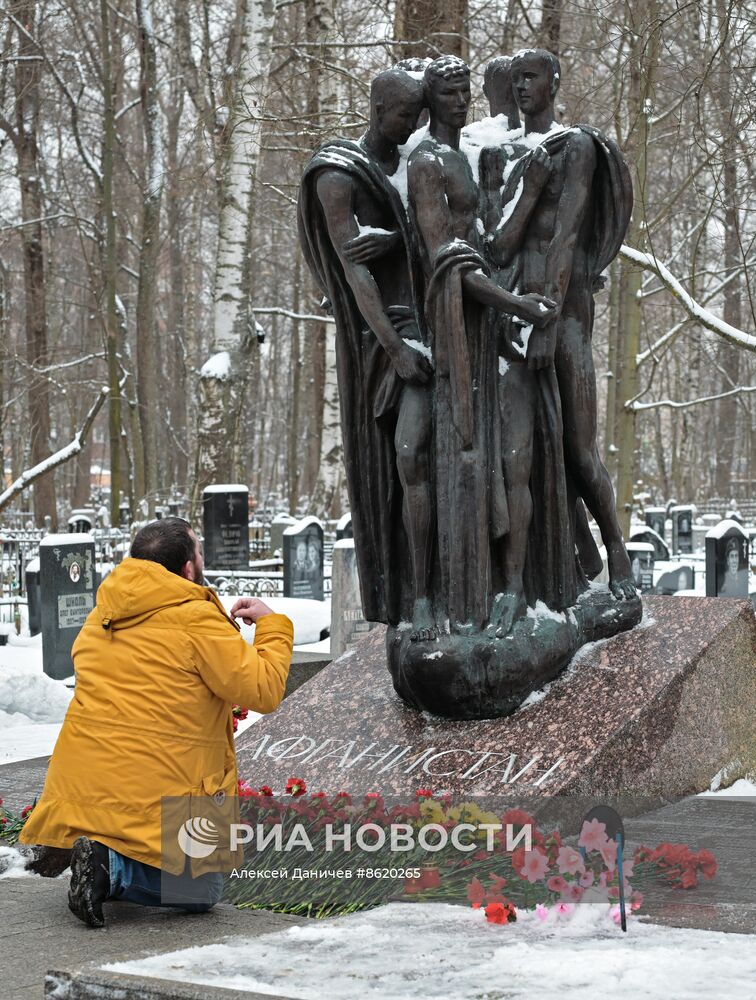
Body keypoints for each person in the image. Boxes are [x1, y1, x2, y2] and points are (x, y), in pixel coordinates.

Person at [19, 517, 293, 928]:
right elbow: (264, 689)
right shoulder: (196, 619)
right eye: (199, 552)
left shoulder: (100, 617)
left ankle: (101, 852)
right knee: (203, 890)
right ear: (187, 569)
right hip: (162, 785)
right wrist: (272, 625)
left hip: (85, 785)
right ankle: (113, 868)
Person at [406, 55, 556, 632]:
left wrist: (530, 187)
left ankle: (514, 588)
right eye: (448, 92)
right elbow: (447, 258)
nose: (460, 101)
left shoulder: (476, 156)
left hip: (496, 331)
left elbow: (494, 244)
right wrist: (515, 303)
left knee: (516, 458)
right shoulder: (426, 163)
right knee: (457, 465)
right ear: (429, 98)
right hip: (454, 333)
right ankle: (444, 597)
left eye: (465, 90)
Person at [491, 48, 636, 609]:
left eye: (532, 77)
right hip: (512, 312)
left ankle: (616, 549)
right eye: (517, 79)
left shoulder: (575, 146)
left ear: (554, 80)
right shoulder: (503, 155)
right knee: (516, 454)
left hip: (565, 314)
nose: (522, 87)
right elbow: (497, 242)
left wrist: (548, 321)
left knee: (579, 449)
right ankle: (522, 581)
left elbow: (568, 235)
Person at [298, 69, 438, 641]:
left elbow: (446, 232)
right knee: (401, 459)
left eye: (420, 117)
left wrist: (400, 238)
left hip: (435, 325)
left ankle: (434, 588)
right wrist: (396, 348)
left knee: (427, 457)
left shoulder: (417, 164)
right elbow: (356, 277)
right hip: (380, 341)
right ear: (379, 108)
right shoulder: (338, 175)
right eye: (407, 116)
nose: (414, 127)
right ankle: (408, 594)